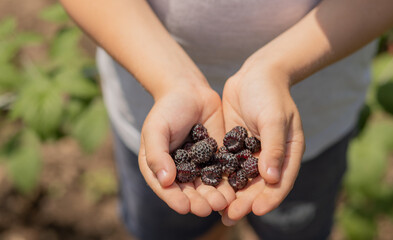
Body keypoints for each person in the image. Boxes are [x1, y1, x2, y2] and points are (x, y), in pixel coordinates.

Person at [60, 0, 393, 239]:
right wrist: (169, 79)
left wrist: (276, 68)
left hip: (312, 125)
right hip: (151, 110)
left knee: (295, 226)